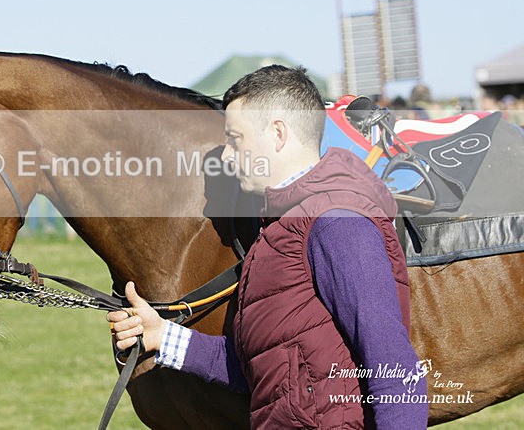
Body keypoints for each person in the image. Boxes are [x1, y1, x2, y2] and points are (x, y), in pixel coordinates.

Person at [108, 65, 428, 429]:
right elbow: (265, 367)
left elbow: (396, 372)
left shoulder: (338, 224)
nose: (227, 156)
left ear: (277, 134)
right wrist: (163, 336)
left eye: (236, 138)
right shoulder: (276, 230)